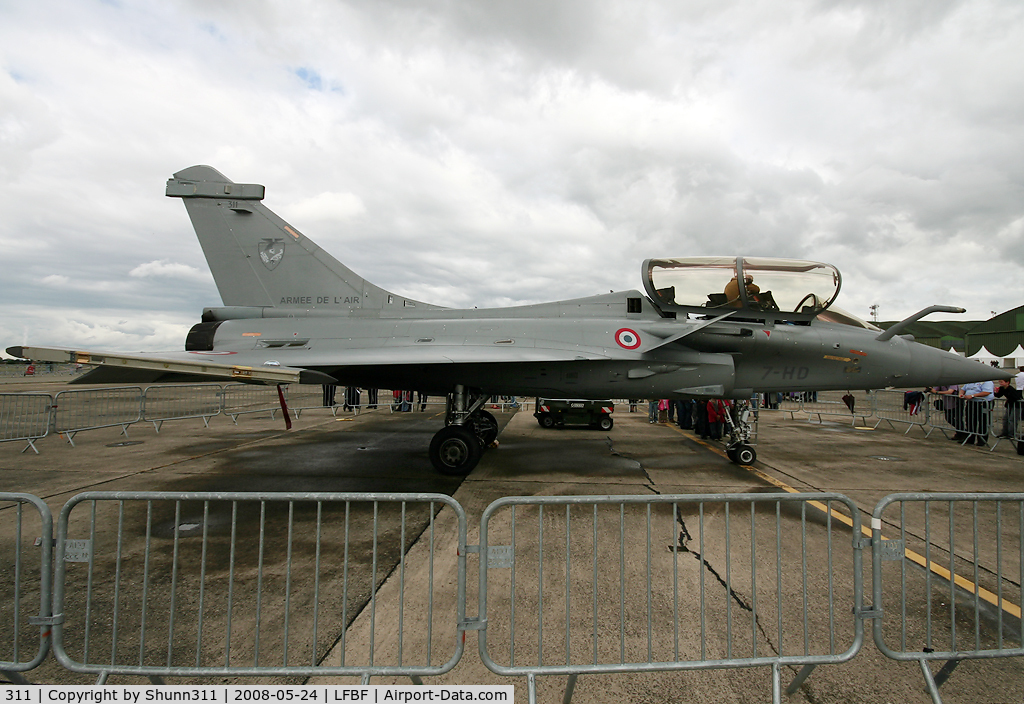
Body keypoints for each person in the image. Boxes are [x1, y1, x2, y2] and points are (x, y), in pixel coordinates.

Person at [959, 379, 995, 445]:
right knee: (970, 421)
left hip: (983, 403)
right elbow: (963, 388)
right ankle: (970, 438)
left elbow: (987, 392)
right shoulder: (970, 381)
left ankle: (982, 440)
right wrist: (961, 394)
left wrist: (973, 395)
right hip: (971, 403)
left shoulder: (987, 381)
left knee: (983, 422)